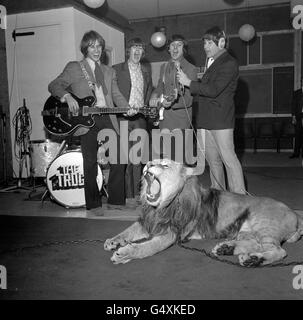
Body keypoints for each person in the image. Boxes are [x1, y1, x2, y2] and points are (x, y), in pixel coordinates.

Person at [48, 30, 137, 215]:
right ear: (85, 48)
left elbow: (116, 94)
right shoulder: (74, 67)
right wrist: (66, 96)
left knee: (120, 158)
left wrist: (127, 107)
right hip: (85, 120)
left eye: (99, 46)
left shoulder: (109, 70)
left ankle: (116, 200)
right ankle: (94, 204)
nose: (96, 50)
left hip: (107, 117)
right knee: (89, 162)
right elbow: (54, 85)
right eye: (92, 46)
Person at [177, 26, 246, 194]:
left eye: (209, 42)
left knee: (229, 160)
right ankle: (218, 194)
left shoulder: (229, 63)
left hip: (221, 121)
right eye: (204, 43)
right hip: (206, 120)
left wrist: (189, 83)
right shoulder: (212, 62)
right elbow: (206, 88)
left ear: (221, 42)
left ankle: (239, 197)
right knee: (213, 161)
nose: (205, 47)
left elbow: (214, 89)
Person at [113, 38, 153, 204]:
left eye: (140, 48)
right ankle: (127, 195)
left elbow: (149, 93)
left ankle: (137, 194)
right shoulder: (115, 69)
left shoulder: (145, 71)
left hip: (140, 119)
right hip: (122, 117)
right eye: (134, 48)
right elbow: (110, 93)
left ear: (143, 52)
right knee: (125, 159)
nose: (137, 51)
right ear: (128, 51)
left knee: (138, 158)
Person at [149, 34, 197, 163]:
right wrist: (154, 96)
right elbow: (159, 87)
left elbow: (189, 99)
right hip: (164, 120)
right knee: (166, 160)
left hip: (180, 119)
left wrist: (171, 103)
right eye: (172, 45)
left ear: (184, 49)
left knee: (179, 161)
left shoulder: (191, 69)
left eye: (179, 45)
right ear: (168, 48)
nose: (175, 48)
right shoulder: (164, 67)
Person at [289, 78, 303, 159]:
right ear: (301, 82)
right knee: (298, 135)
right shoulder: (297, 93)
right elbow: (293, 105)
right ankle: (296, 153)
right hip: (298, 116)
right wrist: (293, 116)